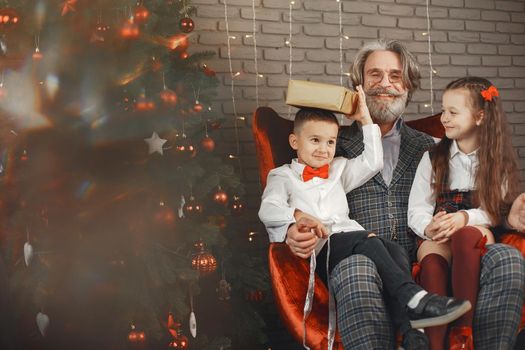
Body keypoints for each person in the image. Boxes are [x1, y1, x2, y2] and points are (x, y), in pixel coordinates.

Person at [285, 39, 525, 350]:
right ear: (358, 85)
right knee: (355, 269)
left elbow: (479, 197)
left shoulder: (436, 147)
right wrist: (292, 227)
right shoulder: (327, 146)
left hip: (433, 258)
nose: (385, 84)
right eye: (374, 75)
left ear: (408, 86)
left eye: (395, 76)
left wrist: (510, 213)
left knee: (506, 257)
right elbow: (293, 192)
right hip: (363, 262)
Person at [259, 99, 471, 350]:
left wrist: (366, 120)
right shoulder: (282, 176)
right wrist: (296, 216)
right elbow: (268, 208)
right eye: (315, 140)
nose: (324, 149)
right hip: (323, 248)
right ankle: (414, 297)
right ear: (295, 142)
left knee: (395, 251)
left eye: (330, 142)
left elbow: (372, 161)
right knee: (365, 239)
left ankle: (410, 334)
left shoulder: (337, 169)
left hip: (353, 239)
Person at [408, 77, 521, 349]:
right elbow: (417, 208)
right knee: (432, 261)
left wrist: (465, 218)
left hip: (476, 227)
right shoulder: (433, 157)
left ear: (480, 117)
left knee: (466, 236)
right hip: (441, 229)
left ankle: (462, 332)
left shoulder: (498, 160)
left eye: (452, 112)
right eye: (443, 110)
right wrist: (429, 226)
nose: (443, 118)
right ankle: (435, 342)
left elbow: (494, 212)